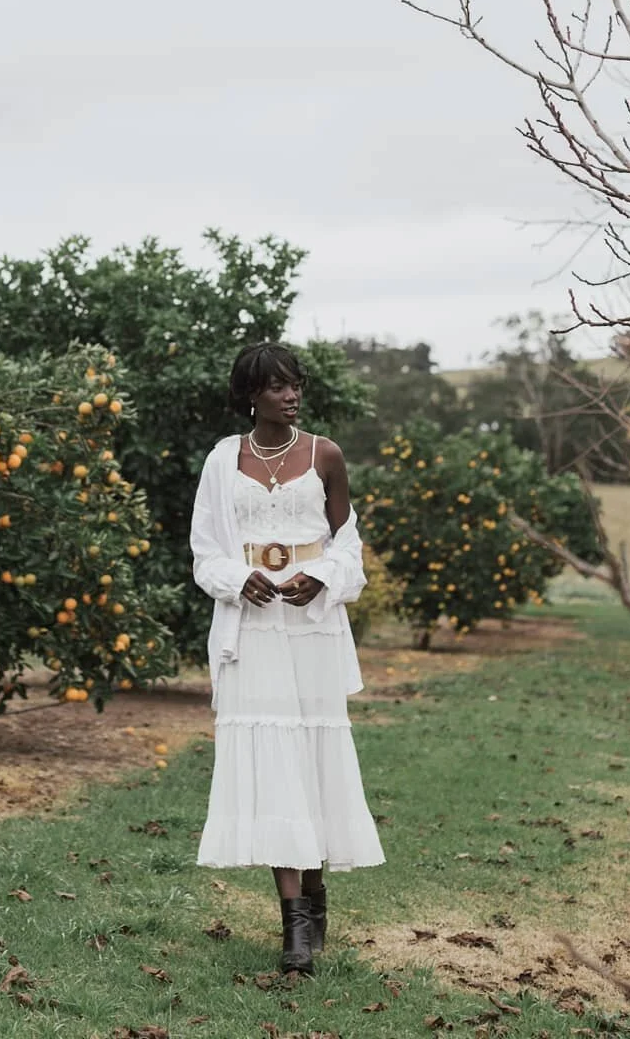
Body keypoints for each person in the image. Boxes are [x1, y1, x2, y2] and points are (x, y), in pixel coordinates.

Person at [189, 342, 385, 976]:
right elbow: (204, 551)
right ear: (251, 393)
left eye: (295, 384)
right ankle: (295, 925)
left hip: (312, 631)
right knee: (273, 765)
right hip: (253, 630)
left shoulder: (325, 455)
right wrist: (235, 577)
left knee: (311, 760)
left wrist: (323, 577)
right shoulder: (223, 461)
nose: (290, 394)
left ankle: (317, 891)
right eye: (276, 386)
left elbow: (348, 545)